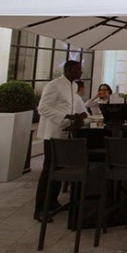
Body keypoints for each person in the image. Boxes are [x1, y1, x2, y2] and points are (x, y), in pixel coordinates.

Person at [34, 60, 86, 221]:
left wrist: (79, 116)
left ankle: (52, 202)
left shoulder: (73, 86)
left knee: (59, 168)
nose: (81, 72)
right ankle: (40, 209)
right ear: (69, 69)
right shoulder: (53, 85)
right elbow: (42, 108)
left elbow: (72, 106)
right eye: (78, 69)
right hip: (52, 133)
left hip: (65, 133)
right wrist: (66, 116)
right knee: (49, 170)